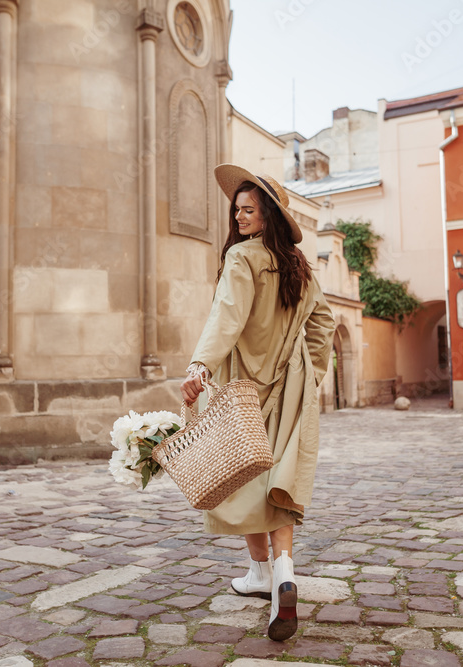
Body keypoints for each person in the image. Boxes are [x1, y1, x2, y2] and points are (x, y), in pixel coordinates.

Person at [180, 164, 336, 641]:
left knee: (243, 475)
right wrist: (312, 375)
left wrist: (199, 366)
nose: (240, 215)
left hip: (242, 389)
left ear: (268, 216)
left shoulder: (243, 259)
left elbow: (228, 315)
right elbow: (324, 326)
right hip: (290, 390)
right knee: (279, 479)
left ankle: (261, 572)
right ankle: (282, 572)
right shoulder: (301, 270)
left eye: (249, 209)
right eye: (237, 209)